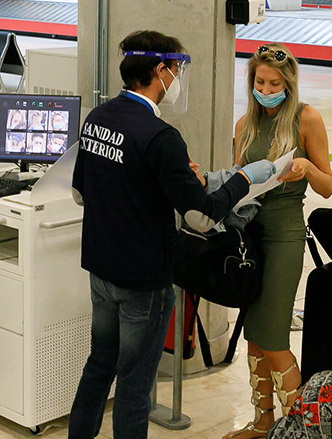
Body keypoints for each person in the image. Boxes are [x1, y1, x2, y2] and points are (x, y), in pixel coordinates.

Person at [69, 31, 277, 439]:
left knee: (100, 363)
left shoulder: (98, 118)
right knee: (134, 382)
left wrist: (161, 181)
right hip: (143, 280)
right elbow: (200, 217)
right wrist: (242, 179)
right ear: (159, 71)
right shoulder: (161, 137)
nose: (177, 80)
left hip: (100, 269)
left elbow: (80, 193)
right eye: (176, 70)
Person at [222, 44, 332, 439]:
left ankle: (302, 430)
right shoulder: (244, 125)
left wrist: (305, 167)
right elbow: (236, 183)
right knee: (254, 336)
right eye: (260, 82)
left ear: (289, 84)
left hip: (285, 235)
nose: (266, 89)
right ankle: (263, 422)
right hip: (249, 237)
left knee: (272, 338)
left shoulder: (306, 119)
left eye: (274, 83)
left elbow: (327, 187)